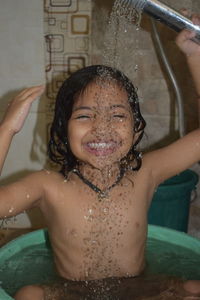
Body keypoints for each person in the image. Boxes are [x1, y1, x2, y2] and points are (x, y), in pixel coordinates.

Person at [0, 14, 200, 300]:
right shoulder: (49, 186)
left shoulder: (146, 172)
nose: (101, 128)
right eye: (85, 116)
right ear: (63, 129)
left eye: (117, 115)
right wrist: (7, 129)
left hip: (139, 287)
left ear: (136, 130)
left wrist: (195, 57)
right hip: (72, 292)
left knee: (195, 288)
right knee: (28, 294)